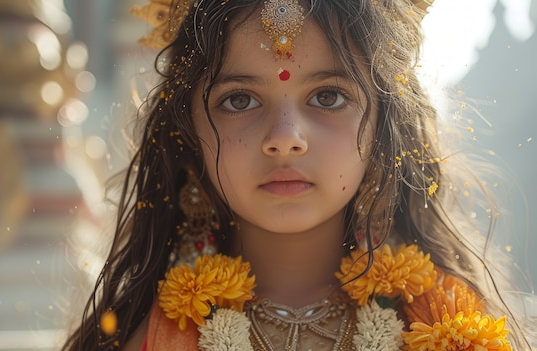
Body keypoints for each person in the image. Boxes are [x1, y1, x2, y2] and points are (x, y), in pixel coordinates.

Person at [63, 0, 535, 350]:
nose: (285, 138)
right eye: (239, 100)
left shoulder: (447, 325)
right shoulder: (149, 337)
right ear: (188, 138)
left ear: (383, 132)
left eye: (327, 97)